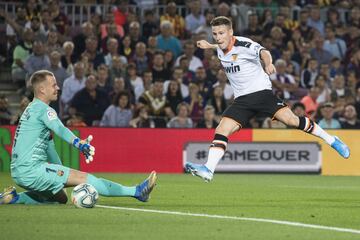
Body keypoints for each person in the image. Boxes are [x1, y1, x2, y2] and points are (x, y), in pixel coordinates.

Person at [185, 16, 350, 182]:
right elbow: (222, 46)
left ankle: (332, 140)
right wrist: (210, 45)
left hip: (261, 94)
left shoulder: (243, 44)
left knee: (292, 121)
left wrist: (268, 64)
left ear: (231, 32)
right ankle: (208, 169)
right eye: (215, 34)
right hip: (242, 101)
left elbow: (264, 52)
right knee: (221, 129)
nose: (218, 37)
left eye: (221, 33)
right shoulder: (220, 46)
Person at [0, 70, 156, 205]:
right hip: (31, 170)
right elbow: (60, 128)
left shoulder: (30, 110)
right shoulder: (44, 110)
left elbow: (49, 146)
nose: (57, 88)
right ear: (41, 89)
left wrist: (61, 173)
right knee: (86, 178)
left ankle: (14, 198)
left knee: (60, 198)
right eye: (53, 85)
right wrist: (78, 143)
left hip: (19, 172)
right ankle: (136, 191)